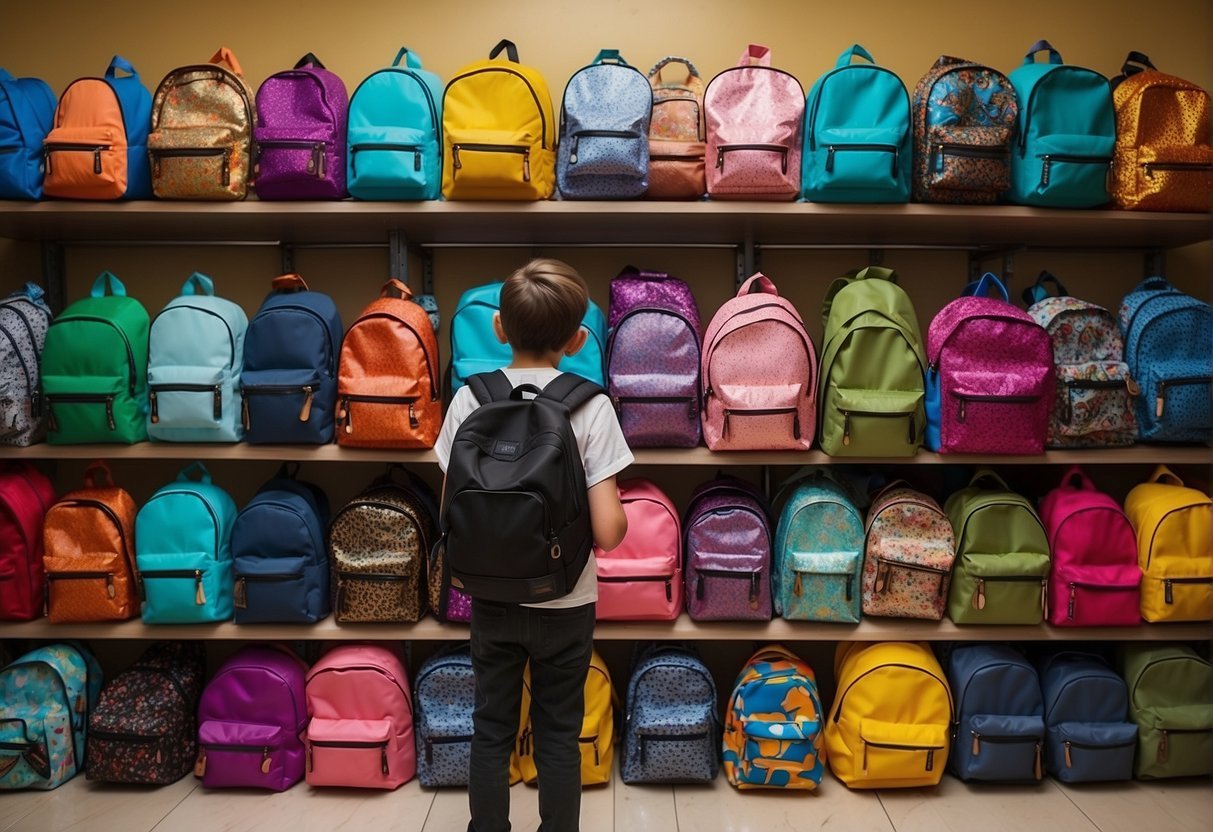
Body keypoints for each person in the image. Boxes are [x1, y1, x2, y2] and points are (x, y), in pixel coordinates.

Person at [434, 257, 632, 832]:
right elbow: (607, 532)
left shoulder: (470, 401)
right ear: (576, 339)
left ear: (499, 328)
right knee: (558, 732)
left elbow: (452, 508)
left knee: (490, 727)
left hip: (490, 598)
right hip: (566, 601)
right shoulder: (590, 405)